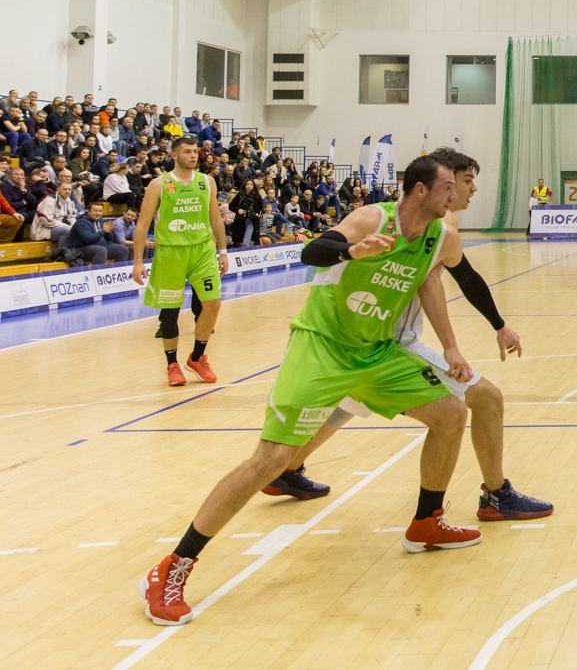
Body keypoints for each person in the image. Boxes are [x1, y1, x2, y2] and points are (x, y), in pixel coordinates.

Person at [140, 157, 483, 627]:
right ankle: (172, 568)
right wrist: (352, 253)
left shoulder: (437, 236)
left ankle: (426, 521)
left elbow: (430, 286)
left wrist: (451, 347)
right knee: (271, 458)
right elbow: (313, 251)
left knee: (451, 413)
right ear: (420, 189)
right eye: (450, 187)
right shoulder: (373, 218)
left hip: (377, 353)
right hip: (322, 350)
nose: (458, 196)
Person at [275, 148, 554, 520]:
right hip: (383, 345)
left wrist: (498, 325)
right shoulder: (430, 225)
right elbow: (433, 285)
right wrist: (455, 345)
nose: (472, 190)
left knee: (342, 408)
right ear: (444, 184)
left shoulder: (418, 218)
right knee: (486, 399)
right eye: (467, 180)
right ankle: (495, 496)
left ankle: (286, 469)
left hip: (352, 341)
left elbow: (465, 279)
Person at [131, 136, 228, 387]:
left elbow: (216, 219)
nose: (194, 156)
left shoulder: (207, 182)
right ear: (174, 155)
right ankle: (172, 365)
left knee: (213, 304)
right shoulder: (159, 184)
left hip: (203, 250)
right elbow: (142, 224)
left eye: (195, 152)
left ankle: (197, 358)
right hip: (170, 252)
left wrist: (224, 251)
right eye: (187, 152)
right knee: (170, 312)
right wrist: (138, 261)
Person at [61, 202, 130, 265]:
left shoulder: (100, 220)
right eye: (95, 211)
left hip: (99, 246)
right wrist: (103, 231)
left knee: (123, 249)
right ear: (89, 212)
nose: (98, 213)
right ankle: (98, 274)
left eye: (100, 211)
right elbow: (87, 239)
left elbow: (110, 239)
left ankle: (118, 274)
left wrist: (108, 232)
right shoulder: (82, 222)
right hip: (81, 249)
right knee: (100, 250)